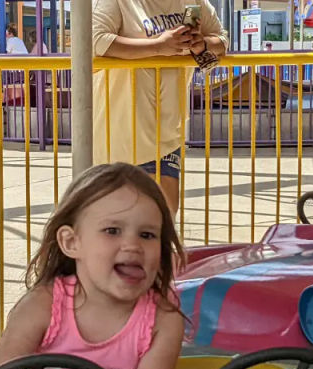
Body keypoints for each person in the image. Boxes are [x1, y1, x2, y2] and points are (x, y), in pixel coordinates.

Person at [0, 163, 186, 369]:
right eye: (112, 231)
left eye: (147, 235)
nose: (133, 245)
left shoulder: (163, 320)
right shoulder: (43, 304)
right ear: (72, 242)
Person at [92, 0, 228, 214]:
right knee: (124, 218)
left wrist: (202, 44)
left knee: (164, 218)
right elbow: (95, 40)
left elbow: (222, 39)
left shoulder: (194, 3)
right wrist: (159, 46)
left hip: (168, 128)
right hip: (123, 132)